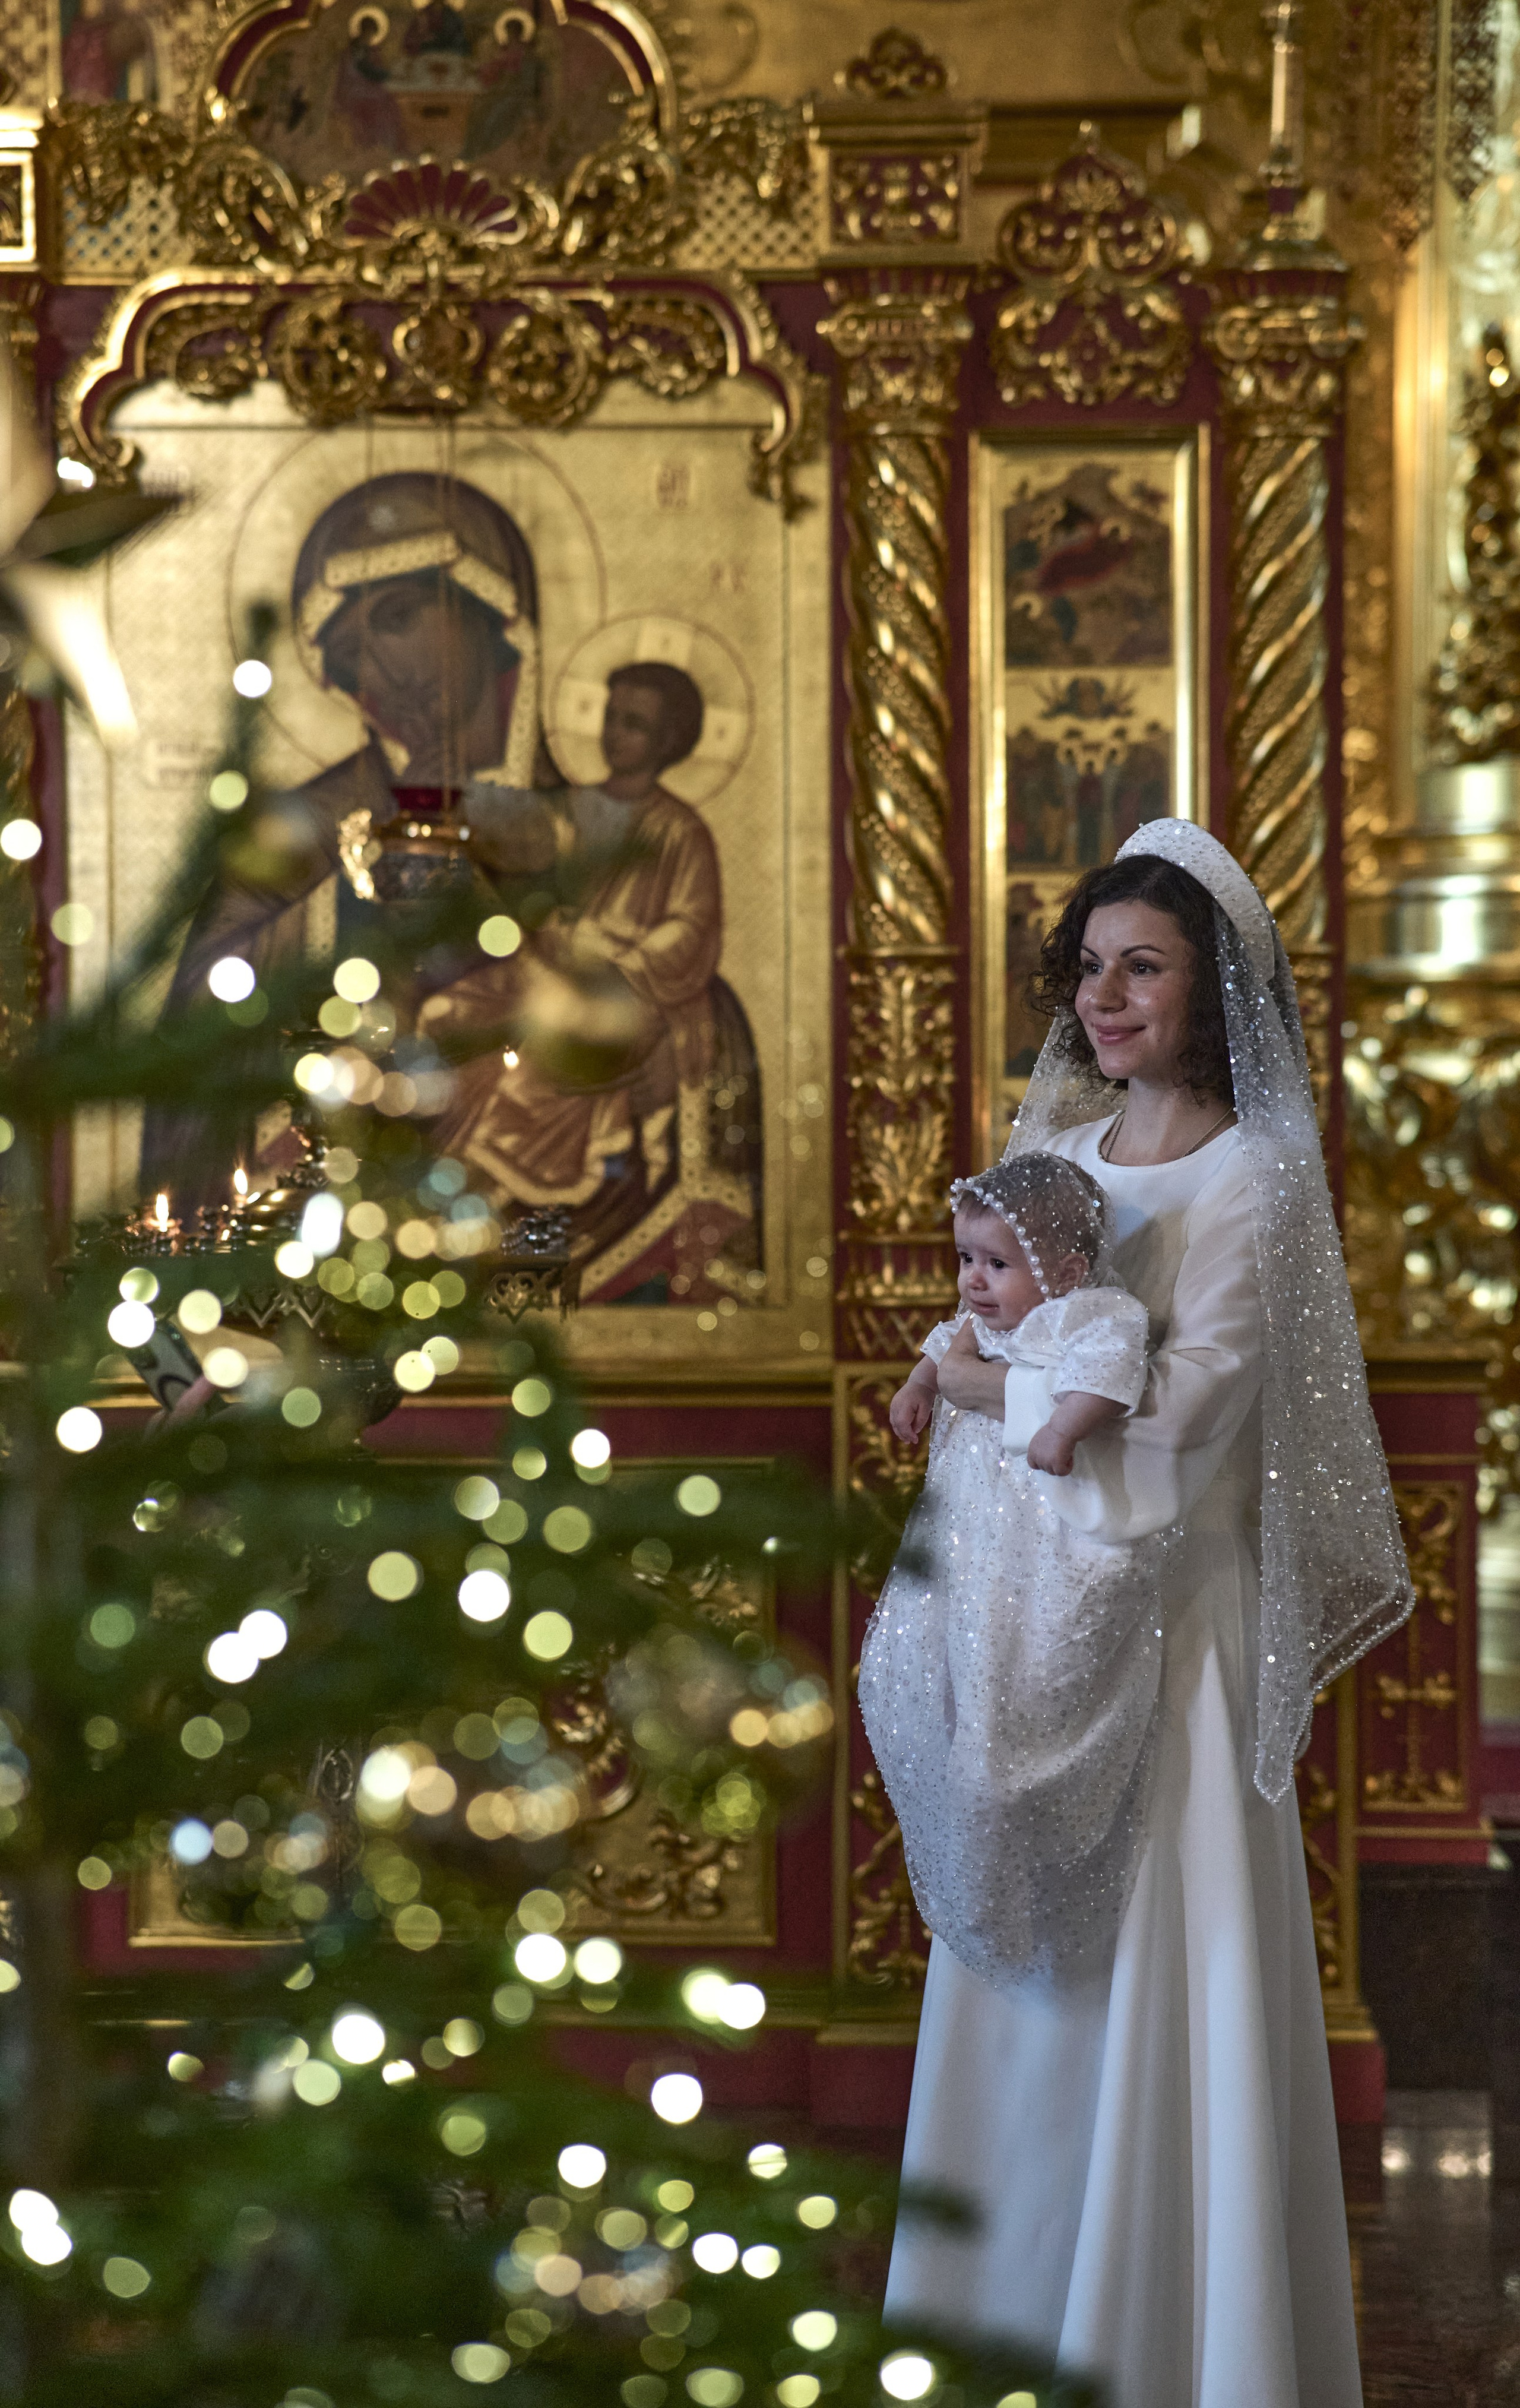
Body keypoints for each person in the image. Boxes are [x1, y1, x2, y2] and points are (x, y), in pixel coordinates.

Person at [881, 818, 1414, 2408]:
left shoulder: (1253, 1172)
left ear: (1215, 988)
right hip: (1034, 1633)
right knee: (1021, 1972)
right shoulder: (1060, 1161)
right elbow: (1006, 1340)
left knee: (1159, 1968)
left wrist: (980, 1381)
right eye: (1092, 965)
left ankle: (1177, 2347)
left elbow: (1179, 1423)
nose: (1108, 996)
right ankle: (1007, 2322)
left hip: (1173, 1631)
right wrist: (979, 1389)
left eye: (1146, 965)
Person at [860, 1153, 1166, 1995]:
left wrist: (1062, 1426)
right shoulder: (981, 1325)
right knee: (943, 1669)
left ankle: (1028, 1850)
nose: (974, 1281)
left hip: (1046, 1527)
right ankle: (979, 1857)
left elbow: (1113, 1376)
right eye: (965, 1258)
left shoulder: (1090, 1312)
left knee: (1028, 1671)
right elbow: (938, 1354)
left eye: (997, 1263)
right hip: (970, 1531)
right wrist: (920, 1385)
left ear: (1067, 1267)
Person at [419, 659, 761, 1300]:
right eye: (611, 716)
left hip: (624, 997)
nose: (615, 733)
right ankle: (440, 1194)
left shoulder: (680, 831)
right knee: (445, 1013)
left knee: (530, 1062)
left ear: (668, 741)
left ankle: (506, 1207)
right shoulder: (569, 810)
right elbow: (517, 855)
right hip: (545, 974)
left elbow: (691, 930)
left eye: (635, 724)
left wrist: (614, 951)